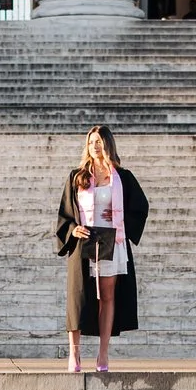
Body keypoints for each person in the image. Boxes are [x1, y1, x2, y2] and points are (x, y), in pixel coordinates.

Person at [52, 126, 149, 374]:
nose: (95, 146)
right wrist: (72, 229)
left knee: (108, 296)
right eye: (91, 141)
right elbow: (65, 212)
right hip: (84, 239)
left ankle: (103, 353)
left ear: (108, 145)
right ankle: (74, 353)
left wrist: (122, 218)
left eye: (99, 141)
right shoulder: (77, 176)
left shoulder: (122, 177)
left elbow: (140, 207)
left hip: (111, 240)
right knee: (79, 298)